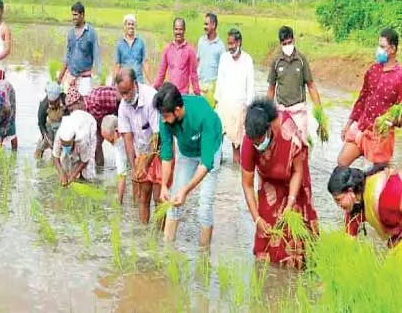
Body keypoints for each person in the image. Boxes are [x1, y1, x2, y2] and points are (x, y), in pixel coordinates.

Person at [241, 99, 318, 267]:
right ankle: (271, 274)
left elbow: (298, 171)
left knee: (294, 226)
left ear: (269, 128)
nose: (258, 146)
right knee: (266, 228)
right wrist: (256, 219)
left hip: (294, 177)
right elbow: (247, 184)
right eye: (255, 143)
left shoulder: (287, 130)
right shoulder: (248, 142)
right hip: (269, 181)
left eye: (261, 141)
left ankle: (298, 267)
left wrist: (290, 202)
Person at [154, 82, 222, 250]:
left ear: (177, 110)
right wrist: (164, 185)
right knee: (173, 202)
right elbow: (167, 155)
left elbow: (206, 163)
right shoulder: (165, 118)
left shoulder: (203, 114)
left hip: (210, 149)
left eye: (166, 116)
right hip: (186, 152)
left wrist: (186, 190)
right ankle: (167, 254)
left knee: (204, 206)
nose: (163, 120)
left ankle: (203, 258)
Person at [338, 29, 402, 168]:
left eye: (382, 47)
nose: (378, 50)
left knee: (378, 175)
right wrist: (348, 124)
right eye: (378, 46)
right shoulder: (373, 70)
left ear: (392, 49)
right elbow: (362, 99)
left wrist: (393, 121)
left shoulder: (399, 77)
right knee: (342, 163)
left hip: (380, 136)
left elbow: (400, 112)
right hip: (361, 127)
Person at [113, 69, 165, 222]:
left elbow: (158, 136)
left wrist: (146, 165)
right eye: (122, 93)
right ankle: (144, 237)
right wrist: (134, 166)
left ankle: (159, 238)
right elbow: (128, 139)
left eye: (127, 92)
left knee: (158, 197)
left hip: (160, 150)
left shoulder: (151, 98)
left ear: (135, 84)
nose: (125, 97)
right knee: (143, 196)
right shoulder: (123, 106)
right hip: (142, 151)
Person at [267, 26, 325, 140]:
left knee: (301, 145)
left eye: (289, 42)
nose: (287, 46)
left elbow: (311, 86)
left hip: (299, 110)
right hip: (282, 111)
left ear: (294, 40)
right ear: (280, 44)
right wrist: (267, 114)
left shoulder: (301, 60)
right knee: (282, 147)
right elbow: (271, 89)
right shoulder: (276, 61)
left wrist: (320, 115)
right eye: (284, 44)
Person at [328, 165, 402, 249]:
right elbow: (349, 242)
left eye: (338, 200)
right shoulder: (355, 208)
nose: (338, 205)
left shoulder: (386, 193)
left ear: (350, 190)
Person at [214, 28, 255, 164]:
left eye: (232, 44)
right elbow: (220, 80)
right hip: (224, 104)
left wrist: (250, 107)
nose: (230, 47)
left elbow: (250, 85)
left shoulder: (247, 59)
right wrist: (216, 101)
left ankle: (236, 173)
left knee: (236, 145)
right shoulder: (224, 58)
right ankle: (216, 169)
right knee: (216, 139)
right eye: (229, 44)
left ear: (239, 42)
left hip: (239, 107)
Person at [57, 2, 100, 96]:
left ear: (82, 15)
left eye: (76, 15)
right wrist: (59, 79)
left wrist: (98, 80)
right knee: (67, 106)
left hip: (85, 78)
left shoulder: (91, 33)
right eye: (73, 15)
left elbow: (97, 57)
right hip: (70, 77)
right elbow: (67, 57)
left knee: (84, 105)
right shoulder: (71, 33)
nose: (74, 17)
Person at [153, 18, 201, 95]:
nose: (178, 32)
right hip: (170, 94)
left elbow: (193, 75)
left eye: (181, 29)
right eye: (176, 29)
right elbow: (161, 73)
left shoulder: (190, 50)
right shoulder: (167, 49)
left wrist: (198, 93)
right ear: (173, 30)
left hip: (183, 94)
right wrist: (153, 88)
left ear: (184, 30)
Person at [53, 109, 98, 186]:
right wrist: (61, 173)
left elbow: (85, 160)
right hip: (75, 118)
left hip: (88, 123)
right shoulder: (59, 135)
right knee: (65, 164)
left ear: (73, 139)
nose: (66, 146)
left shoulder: (83, 138)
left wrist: (73, 174)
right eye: (64, 144)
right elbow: (55, 156)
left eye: (68, 144)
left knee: (89, 171)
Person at [84, 84, 120, 166]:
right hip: (101, 119)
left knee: (125, 138)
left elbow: (120, 94)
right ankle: (100, 168)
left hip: (121, 108)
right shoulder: (86, 120)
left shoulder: (97, 97)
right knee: (97, 143)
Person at [114, 14, 151, 84]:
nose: (131, 26)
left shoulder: (141, 42)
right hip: (124, 81)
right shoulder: (119, 44)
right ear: (124, 26)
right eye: (128, 24)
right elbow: (117, 65)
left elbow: (145, 63)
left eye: (132, 24)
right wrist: (113, 83)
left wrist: (150, 82)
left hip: (138, 81)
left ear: (135, 26)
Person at [35, 81, 67, 159]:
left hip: (63, 125)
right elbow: (41, 124)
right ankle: (38, 159)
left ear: (59, 97)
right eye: (51, 102)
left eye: (55, 102)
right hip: (49, 125)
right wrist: (46, 137)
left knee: (59, 150)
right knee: (42, 146)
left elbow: (70, 118)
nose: (52, 104)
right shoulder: (43, 105)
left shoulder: (65, 100)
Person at [197, 13, 225, 85]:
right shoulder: (201, 41)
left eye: (206, 24)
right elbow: (198, 60)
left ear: (213, 25)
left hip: (212, 85)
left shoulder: (220, 46)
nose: (204, 26)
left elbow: (223, 69)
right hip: (200, 83)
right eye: (204, 24)